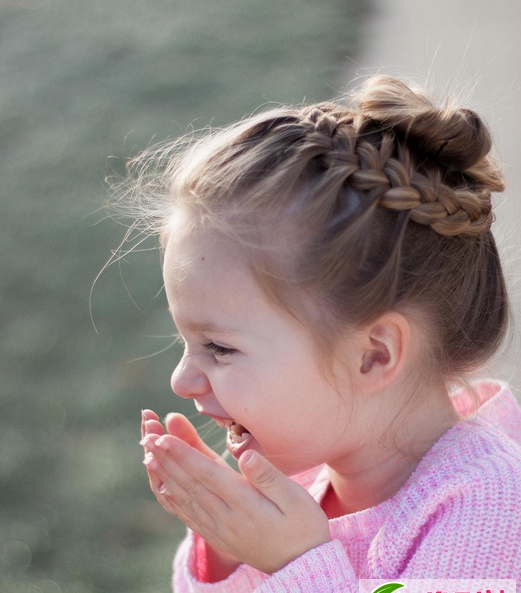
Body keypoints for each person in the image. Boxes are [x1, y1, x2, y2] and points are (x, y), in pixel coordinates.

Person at [133, 75, 521, 592]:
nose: (182, 379)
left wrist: (294, 564)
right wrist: (226, 547)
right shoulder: (296, 470)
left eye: (219, 347)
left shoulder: (491, 508)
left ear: (373, 357)